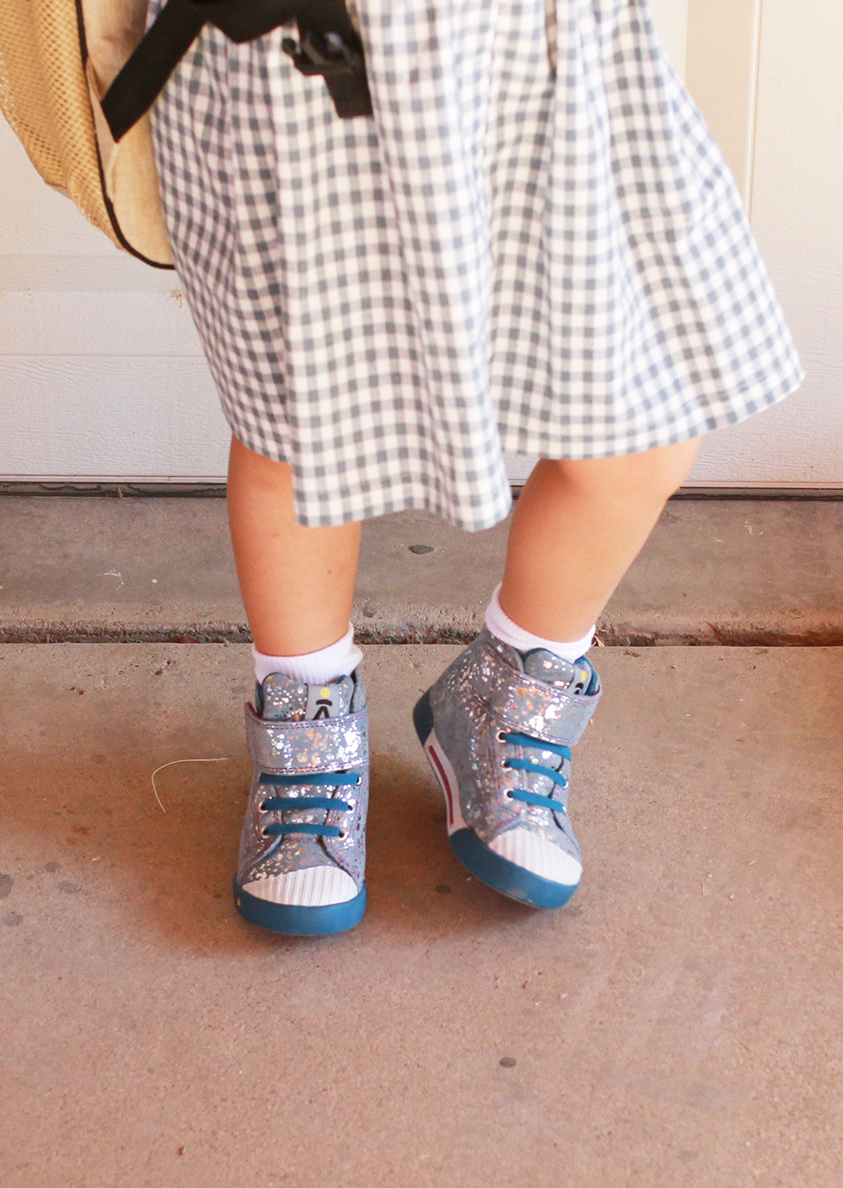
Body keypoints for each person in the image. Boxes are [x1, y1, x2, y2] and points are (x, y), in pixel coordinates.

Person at [145, 0, 805, 936]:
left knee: (648, 409)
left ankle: (505, 696)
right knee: (299, 425)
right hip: (298, 59)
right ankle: (308, 741)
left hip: (553, 50)